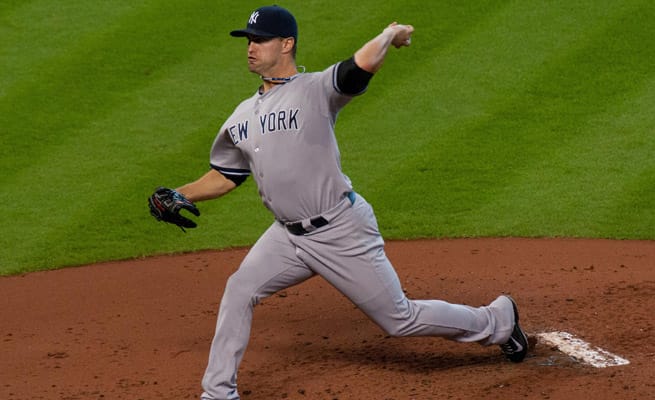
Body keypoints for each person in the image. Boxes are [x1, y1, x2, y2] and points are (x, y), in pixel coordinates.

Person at [152, 5, 528, 400]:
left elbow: (356, 68)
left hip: (338, 229)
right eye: (248, 40)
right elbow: (227, 175)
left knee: (399, 319)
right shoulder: (241, 115)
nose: (250, 47)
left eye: (259, 40)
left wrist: (388, 35)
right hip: (286, 237)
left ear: (286, 44)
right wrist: (181, 193)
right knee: (240, 289)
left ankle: (497, 320)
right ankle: (218, 393)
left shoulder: (314, 90)